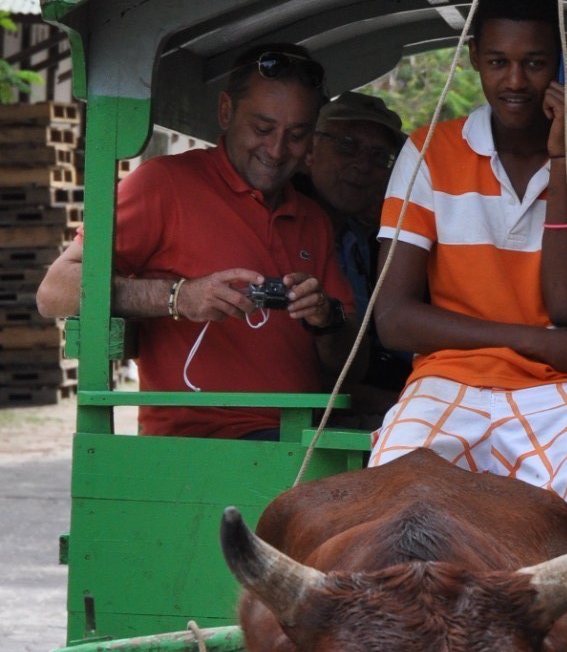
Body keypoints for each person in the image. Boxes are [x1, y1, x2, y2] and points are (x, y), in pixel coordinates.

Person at [369, 0, 567, 611]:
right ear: (473, 60)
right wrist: (538, 343)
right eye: (498, 62)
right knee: (389, 514)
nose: (515, 82)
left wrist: (561, 158)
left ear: (565, 68)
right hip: (446, 380)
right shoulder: (427, 151)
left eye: (534, 63)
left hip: (559, 392)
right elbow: (394, 319)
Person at [35, 44, 357, 440]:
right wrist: (179, 297)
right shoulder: (164, 184)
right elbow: (54, 291)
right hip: (204, 439)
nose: (276, 150)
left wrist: (326, 319)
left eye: (296, 135)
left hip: (304, 433)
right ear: (226, 112)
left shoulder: (313, 218)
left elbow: (348, 369)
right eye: (262, 128)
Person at [295, 91, 411, 421]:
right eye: (347, 144)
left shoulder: (361, 239)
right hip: (297, 421)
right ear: (309, 150)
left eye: (379, 156)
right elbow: (304, 377)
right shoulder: (283, 230)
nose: (363, 165)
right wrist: (404, 405)